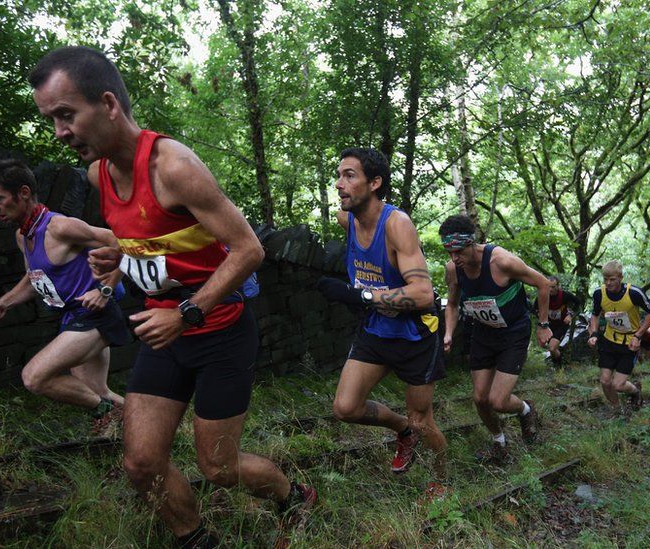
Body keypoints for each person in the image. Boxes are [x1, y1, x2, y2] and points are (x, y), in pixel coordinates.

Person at [29, 46, 314, 547]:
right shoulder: (98, 172)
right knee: (141, 463)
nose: (59, 132)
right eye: (51, 120)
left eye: (66, 115)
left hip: (219, 332)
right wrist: (119, 257)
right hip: (164, 334)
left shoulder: (174, 166)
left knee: (219, 467)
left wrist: (187, 312)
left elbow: (248, 250)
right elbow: (149, 236)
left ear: (109, 104)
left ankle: (295, 496)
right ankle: (195, 538)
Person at [316, 147, 447, 496]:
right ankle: (401, 430)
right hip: (377, 329)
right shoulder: (349, 220)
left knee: (423, 420)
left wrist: (361, 296)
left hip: (417, 334)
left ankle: (441, 478)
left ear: (375, 183)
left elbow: (422, 294)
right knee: (346, 407)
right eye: (338, 175)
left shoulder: (396, 224)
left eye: (349, 175)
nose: (339, 184)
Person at [0, 159, 128, 434]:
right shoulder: (23, 237)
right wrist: (4, 303)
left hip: (96, 315)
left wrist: (105, 289)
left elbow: (123, 243)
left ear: (23, 193)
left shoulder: (59, 227)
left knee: (34, 377)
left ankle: (106, 414)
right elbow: (35, 278)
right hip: (72, 317)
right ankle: (162, 430)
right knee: (98, 390)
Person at [440, 214, 550, 464]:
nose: (454, 258)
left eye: (458, 251)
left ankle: (525, 410)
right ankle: (499, 443)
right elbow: (453, 304)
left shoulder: (502, 261)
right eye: (448, 252)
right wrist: (448, 333)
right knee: (480, 398)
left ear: (471, 243)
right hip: (483, 332)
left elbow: (543, 284)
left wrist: (543, 325)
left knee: (498, 400)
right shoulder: (453, 269)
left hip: (513, 332)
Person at [586, 261, 650, 411]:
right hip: (609, 340)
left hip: (629, 343)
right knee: (605, 381)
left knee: (618, 385)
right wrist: (593, 333)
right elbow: (595, 315)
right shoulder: (599, 293)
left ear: (620, 277)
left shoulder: (634, 293)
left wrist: (638, 335)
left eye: (612, 279)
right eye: (605, 279)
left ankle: (635, 392)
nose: (608, 283)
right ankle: (618, 410)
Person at [545, 275, 580, 367]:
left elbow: (578, 303)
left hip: (562, 324)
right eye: (548, 286)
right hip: (549, 325)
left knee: (552, 348)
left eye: (553, 287)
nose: (551, 289)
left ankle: (558, 368)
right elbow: (535, 309)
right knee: (552, 349)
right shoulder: (543, 295)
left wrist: (570, 315)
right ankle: (558, 366)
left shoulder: (565, 295)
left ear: (558, 286)